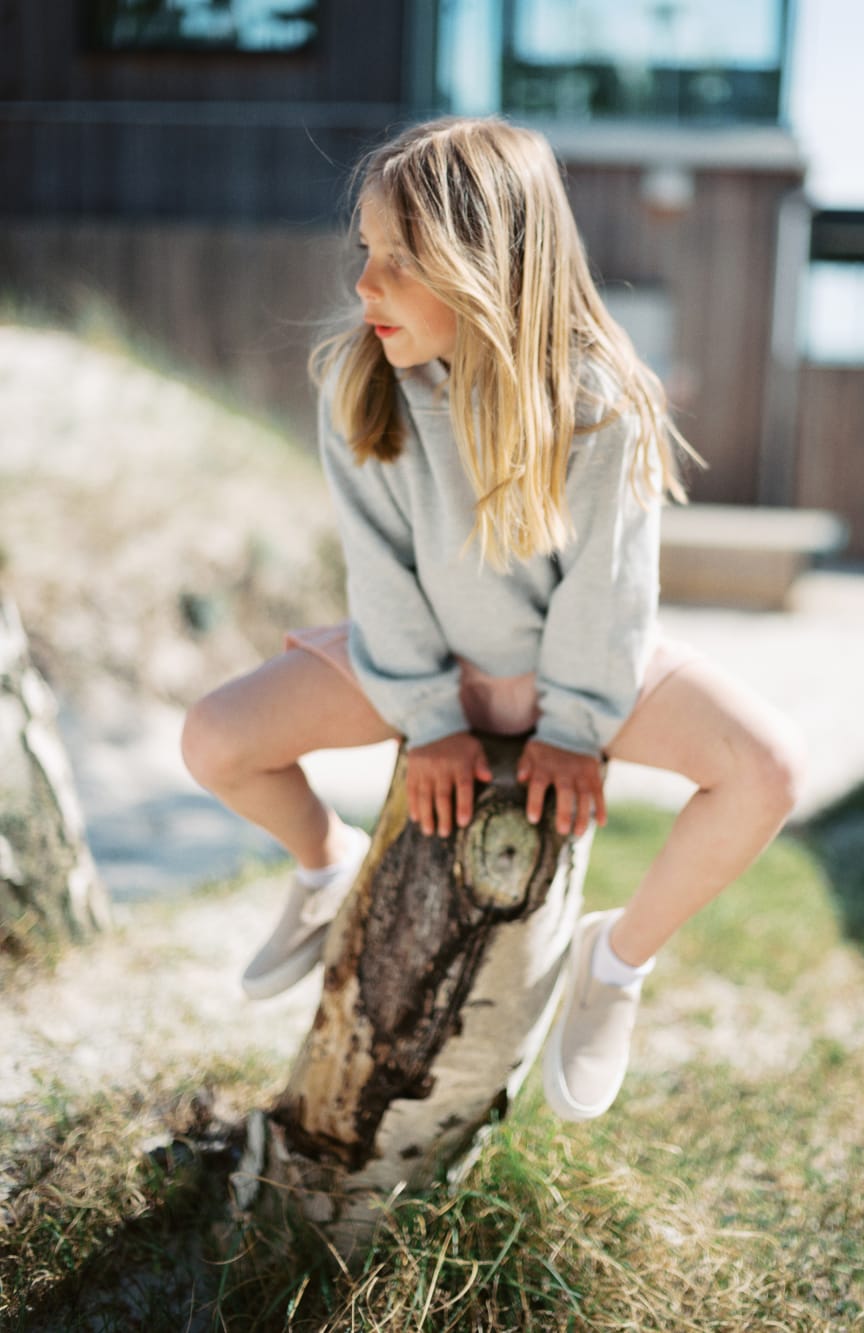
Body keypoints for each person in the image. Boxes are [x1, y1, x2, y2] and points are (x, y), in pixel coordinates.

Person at [181, 117, 805, 1123]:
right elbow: (380, 572)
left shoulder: (601, 399)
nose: (364, 285)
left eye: (399, 261)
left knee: (767, 767)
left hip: (581, 660)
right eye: (365, 253)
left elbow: (607, 587)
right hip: (425, 652)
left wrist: (570, 729)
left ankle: (614, 959)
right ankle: (323, 862)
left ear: (489, 266)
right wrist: (429, 719)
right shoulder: (361, 380)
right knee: (216, 738)